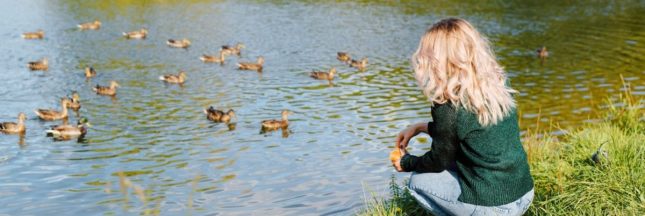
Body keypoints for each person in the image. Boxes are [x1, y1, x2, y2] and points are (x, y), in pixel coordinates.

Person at [391, 18, 534, 215]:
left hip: (497, 207)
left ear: (437, 61)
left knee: (418, 181)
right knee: (453, 162)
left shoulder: (449, 107)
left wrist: (406, 162)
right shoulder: (497, 82)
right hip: (524, 193)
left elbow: (437, 160)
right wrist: (419, 127)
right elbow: (466, 131)